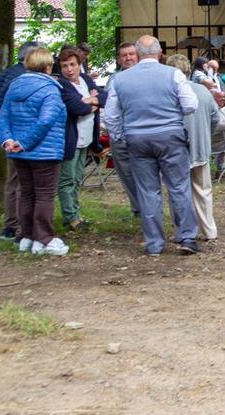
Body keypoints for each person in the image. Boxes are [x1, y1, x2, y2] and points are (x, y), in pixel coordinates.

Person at [102, 35, 200, 255]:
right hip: (170, 137)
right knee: (178, 187)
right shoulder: (173, 74)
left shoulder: (119, 79)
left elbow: (110, 117)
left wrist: (121, 136)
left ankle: (154, 243)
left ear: (137, 54)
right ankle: (186, 237)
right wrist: (171, 116)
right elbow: (190, 105)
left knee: (147, 191)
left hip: (137, 139)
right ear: (159, 53)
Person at [0, 47, 69, 256]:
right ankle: (44, 238)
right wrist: (24, 142)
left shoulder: (14, 86)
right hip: (44, 151)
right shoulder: (50, 89)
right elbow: (46, 120)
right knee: (45, 195)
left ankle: (26, 236)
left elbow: (3, 117)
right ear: (47, 66)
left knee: (26, 193)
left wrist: (9, 141)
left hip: (19, 153)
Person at [0, 41, 44, 241]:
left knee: (12, 183)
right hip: (19, 138)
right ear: (30, 58)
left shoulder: (7, 73)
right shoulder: (23, 77)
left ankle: (10, 225)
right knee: (23, 183)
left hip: (8, 136)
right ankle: (21, 228)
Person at [167, 54, 223, 241]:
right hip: (201, 147)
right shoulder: (203, 91)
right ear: (189, 71)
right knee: (203, 190)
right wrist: (205, 134)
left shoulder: (167, 92)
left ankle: (183, 231)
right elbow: (216, 118)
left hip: (175, 150)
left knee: (177, 192)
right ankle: (209, 230)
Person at [55, 47, 100, 232]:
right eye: (64, 66)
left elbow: (103, 97)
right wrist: (91, 102)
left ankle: (75, 214)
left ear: (79, 65)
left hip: (86, 138)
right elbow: (75, 107)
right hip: (70, 139)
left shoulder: (86, 79)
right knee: (67, 179)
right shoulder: (62, 85)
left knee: (78, 178)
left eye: (72, 65)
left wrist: (88, 101)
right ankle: (70, 217)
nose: (69, 69)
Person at [101, 42, 141, 213]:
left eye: (131, 54)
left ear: (138, 56)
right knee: (125, 173)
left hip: (142, 133)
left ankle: (148, 206)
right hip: (120, 134)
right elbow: (108, 108)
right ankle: (137, 207)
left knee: (145, 172)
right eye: (124, 55)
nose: (128, 58)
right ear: (119, 59)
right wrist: (115, 134)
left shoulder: (146, 76)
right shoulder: (114, 79)